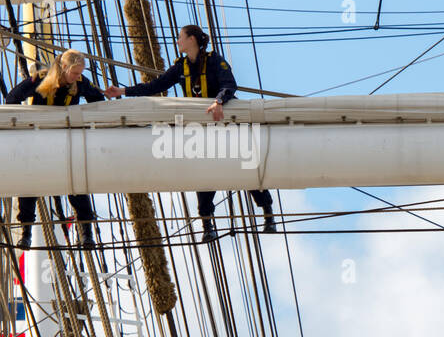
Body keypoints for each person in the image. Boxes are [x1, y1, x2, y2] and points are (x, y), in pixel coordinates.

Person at [105, 24, 276, 242]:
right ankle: (207, 225)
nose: (178, 42)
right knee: (203, 174)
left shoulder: (214, 60)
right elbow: (156, 85)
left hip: (225, 124)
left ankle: (268, 215)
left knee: (243, 166)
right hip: (199, 128)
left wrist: (219, 101)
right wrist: (123, 91)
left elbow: (229, 84)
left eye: (180, 38)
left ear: (192, 40)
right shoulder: (181, 67)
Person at [5, 50, 106, 250]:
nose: (78, 77)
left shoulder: (81, 83)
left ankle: (86, 234)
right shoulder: (41, 79)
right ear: (64, 69)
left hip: (66, 139)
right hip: (38, 139)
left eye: (79, 73)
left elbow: (98, 102)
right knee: (30, 183)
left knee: (76, 185)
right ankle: (26, 233)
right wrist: (20, 126)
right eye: (75, 73)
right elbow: (13, 98)